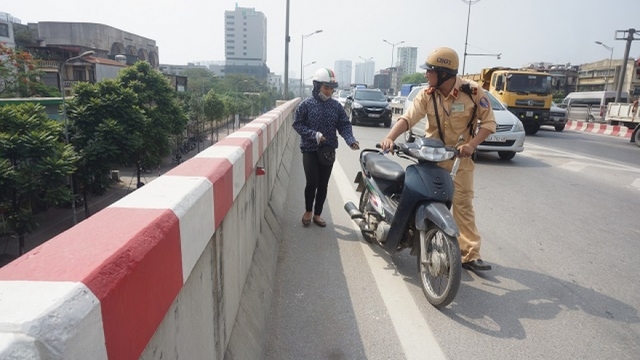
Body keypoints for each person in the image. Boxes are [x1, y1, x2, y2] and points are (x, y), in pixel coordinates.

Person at [379, 47, 497, 272]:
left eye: (430, 71)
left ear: (443, 73)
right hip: (430, 158)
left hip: (459, 161)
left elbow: (489, 123)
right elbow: (408, 119)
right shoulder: (427, 94)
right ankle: (411, 236)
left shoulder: (473, 93)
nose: (425, 75)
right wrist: (389, 137)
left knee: (463, 205)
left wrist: (471, 145)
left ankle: (470, 254)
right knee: (417, 197)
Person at [293, 68, 360, 228]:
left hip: (327, 151)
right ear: (316, 86)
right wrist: (313, 135)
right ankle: (308, 210)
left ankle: (317, 214)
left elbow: (344, 124)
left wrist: (350, 140)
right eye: (326, 88)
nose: (329, 91)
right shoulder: (306, 105)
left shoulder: (336, 106)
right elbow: (297, 124)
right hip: (309, 149)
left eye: (331, 88)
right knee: (312, 182)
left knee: (323, 183)